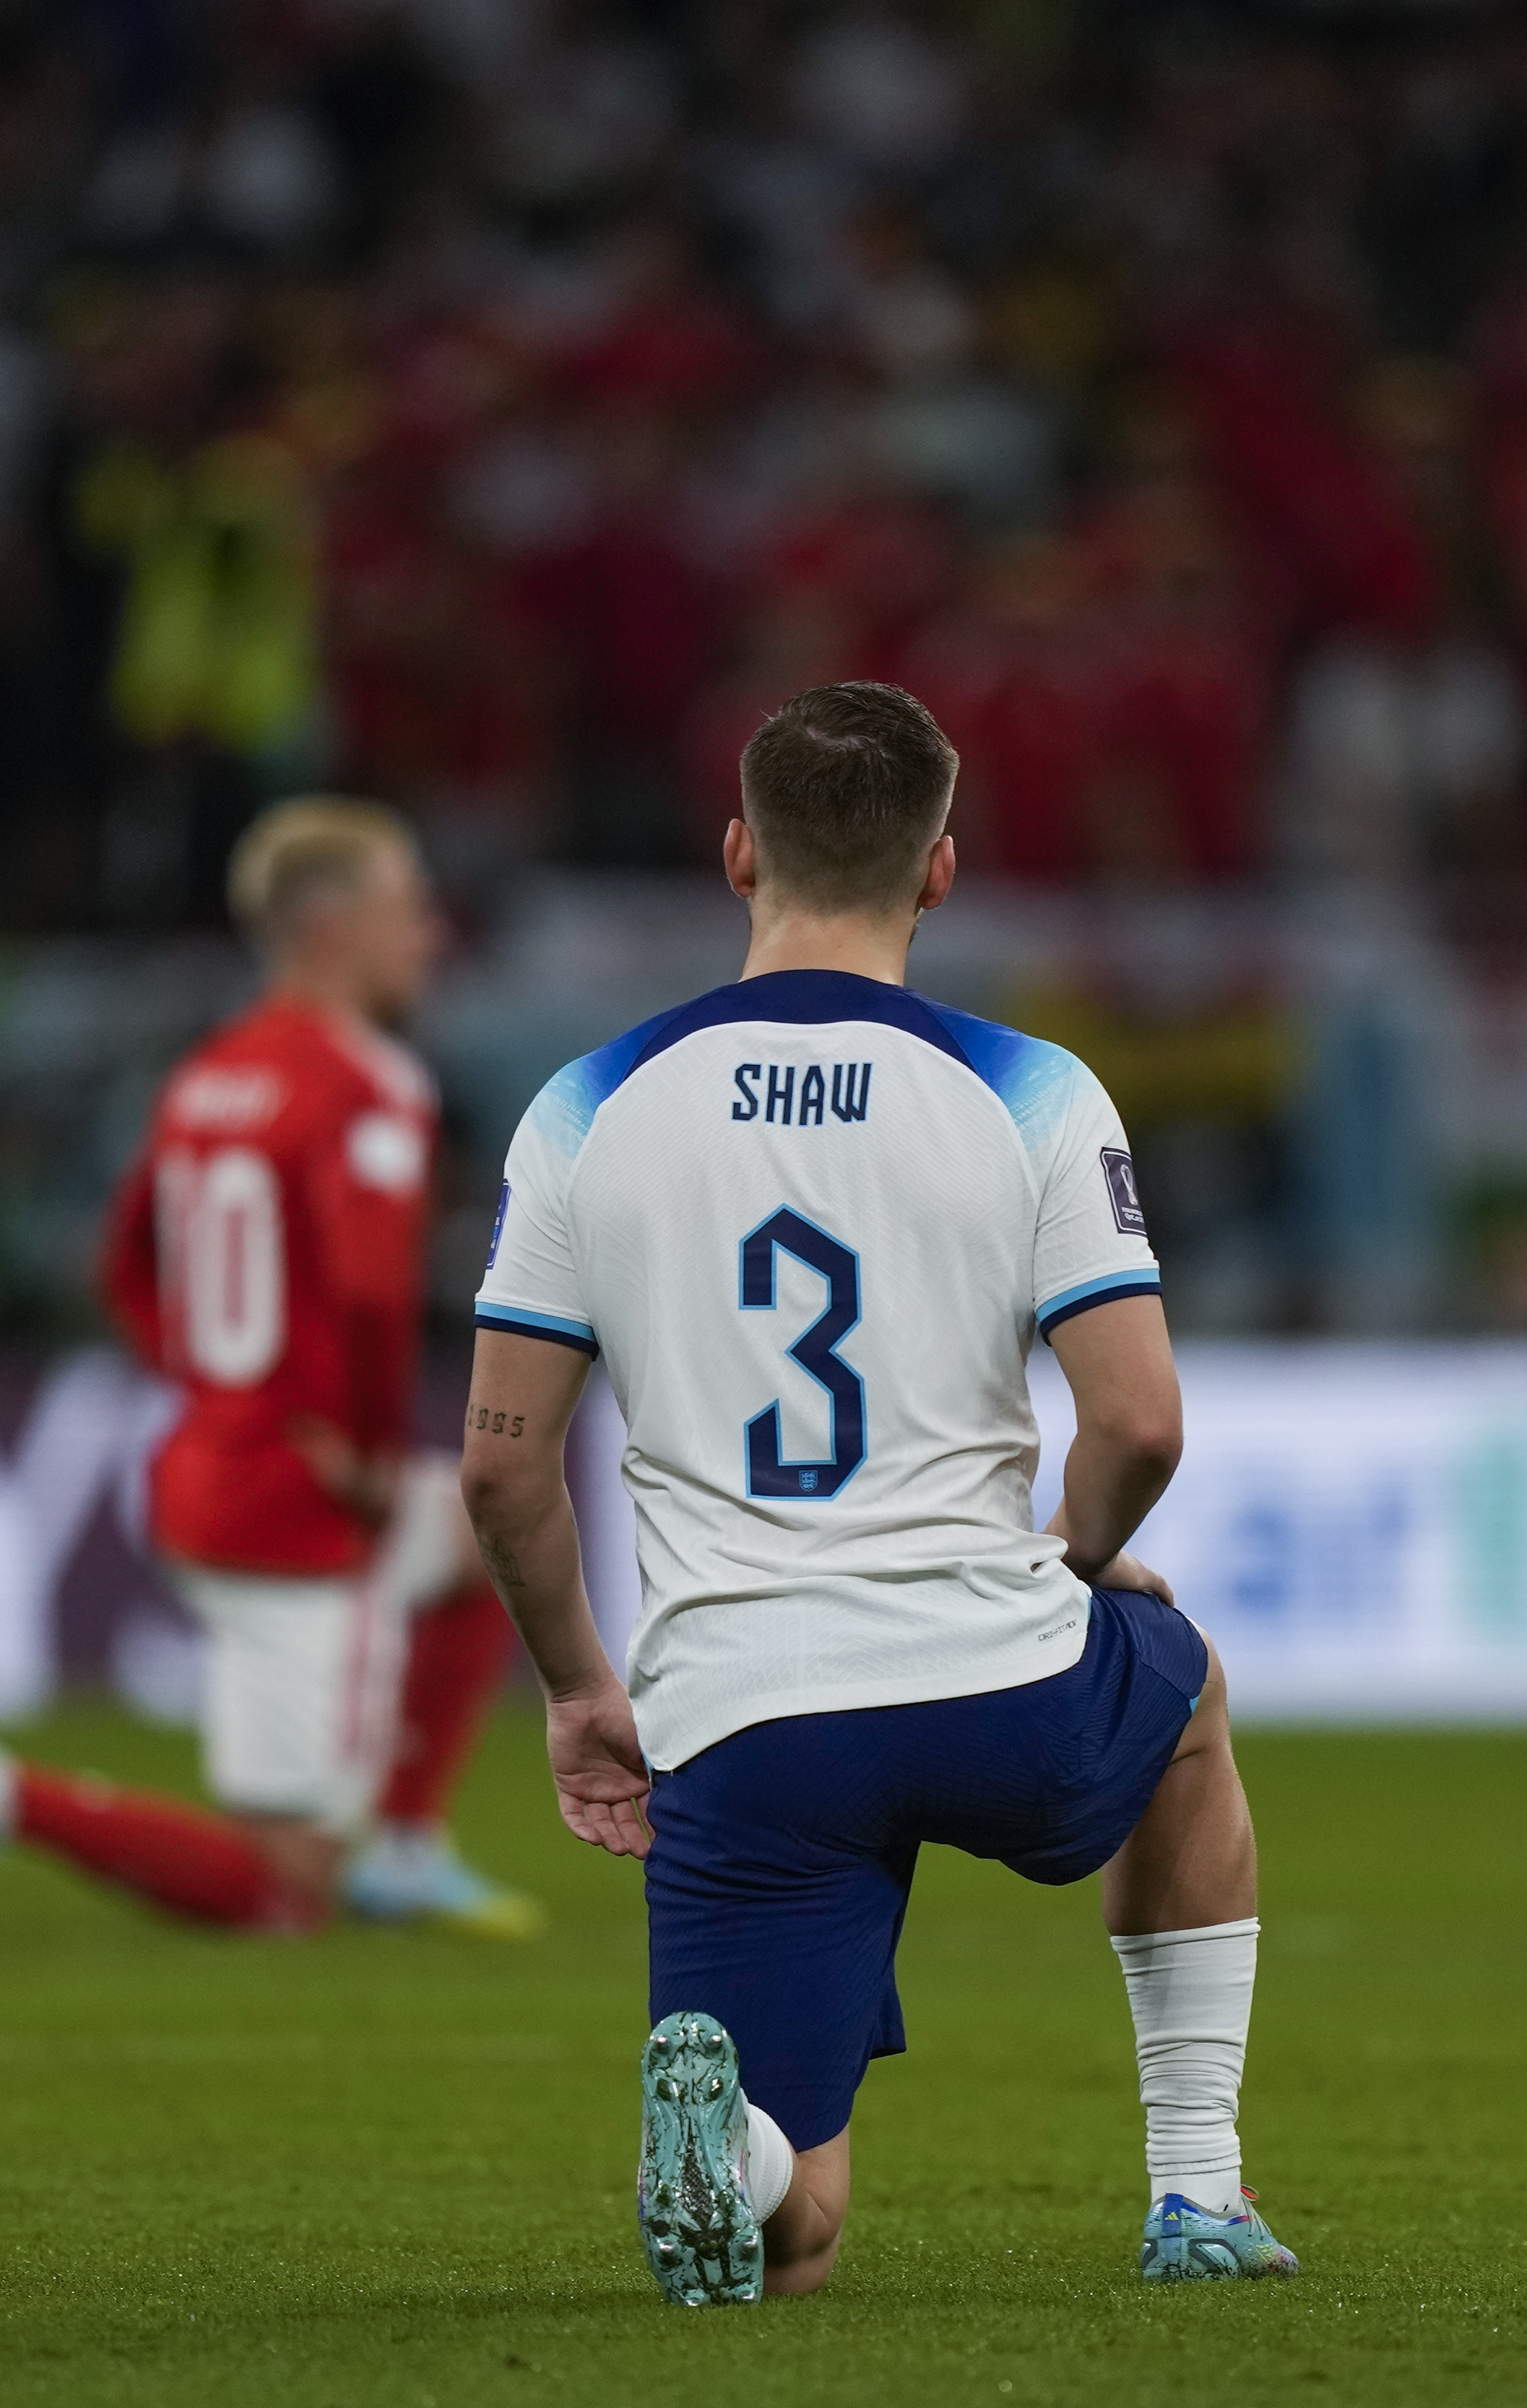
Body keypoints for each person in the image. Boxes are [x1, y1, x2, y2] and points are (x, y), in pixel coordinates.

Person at [457, 681, 1295, 2303]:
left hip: (744, 1711)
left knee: (803, 2238)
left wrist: (575, 1684)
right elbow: (1138, 1421)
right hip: (994, 1675)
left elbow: (503, 1462)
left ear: (733, 855)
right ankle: (1196, 2191)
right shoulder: (1032, 1088)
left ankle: (748, 2163)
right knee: (1182, 1708)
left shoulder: (585, 1106)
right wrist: (1078, 1559)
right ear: (940, 872)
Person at [0, 798, 542, 1941]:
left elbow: (124, 1259)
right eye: (407, 910)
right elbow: (376, 1294)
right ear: (331, 928)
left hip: (211, 1465)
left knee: (496, 1536)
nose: (428, 936)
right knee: (285, 1891)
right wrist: (372, 1457)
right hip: (301, 1508)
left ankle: (403, 1845)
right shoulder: (369, 1083)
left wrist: (220, 1387)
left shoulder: (208, 1077)